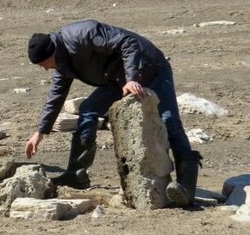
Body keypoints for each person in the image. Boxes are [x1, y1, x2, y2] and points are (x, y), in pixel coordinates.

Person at [23, 19, 201, 207]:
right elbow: (56, 95)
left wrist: (132, 78)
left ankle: (186, 186)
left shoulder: (83, 34)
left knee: (169, 120)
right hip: (117, 79)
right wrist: (40, 132)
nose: (45, 69)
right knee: (88, 110)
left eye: (44, 64)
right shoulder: (61, 62)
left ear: (52, 52)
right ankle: (76, 175)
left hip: (151, 67)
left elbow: (128, 43)